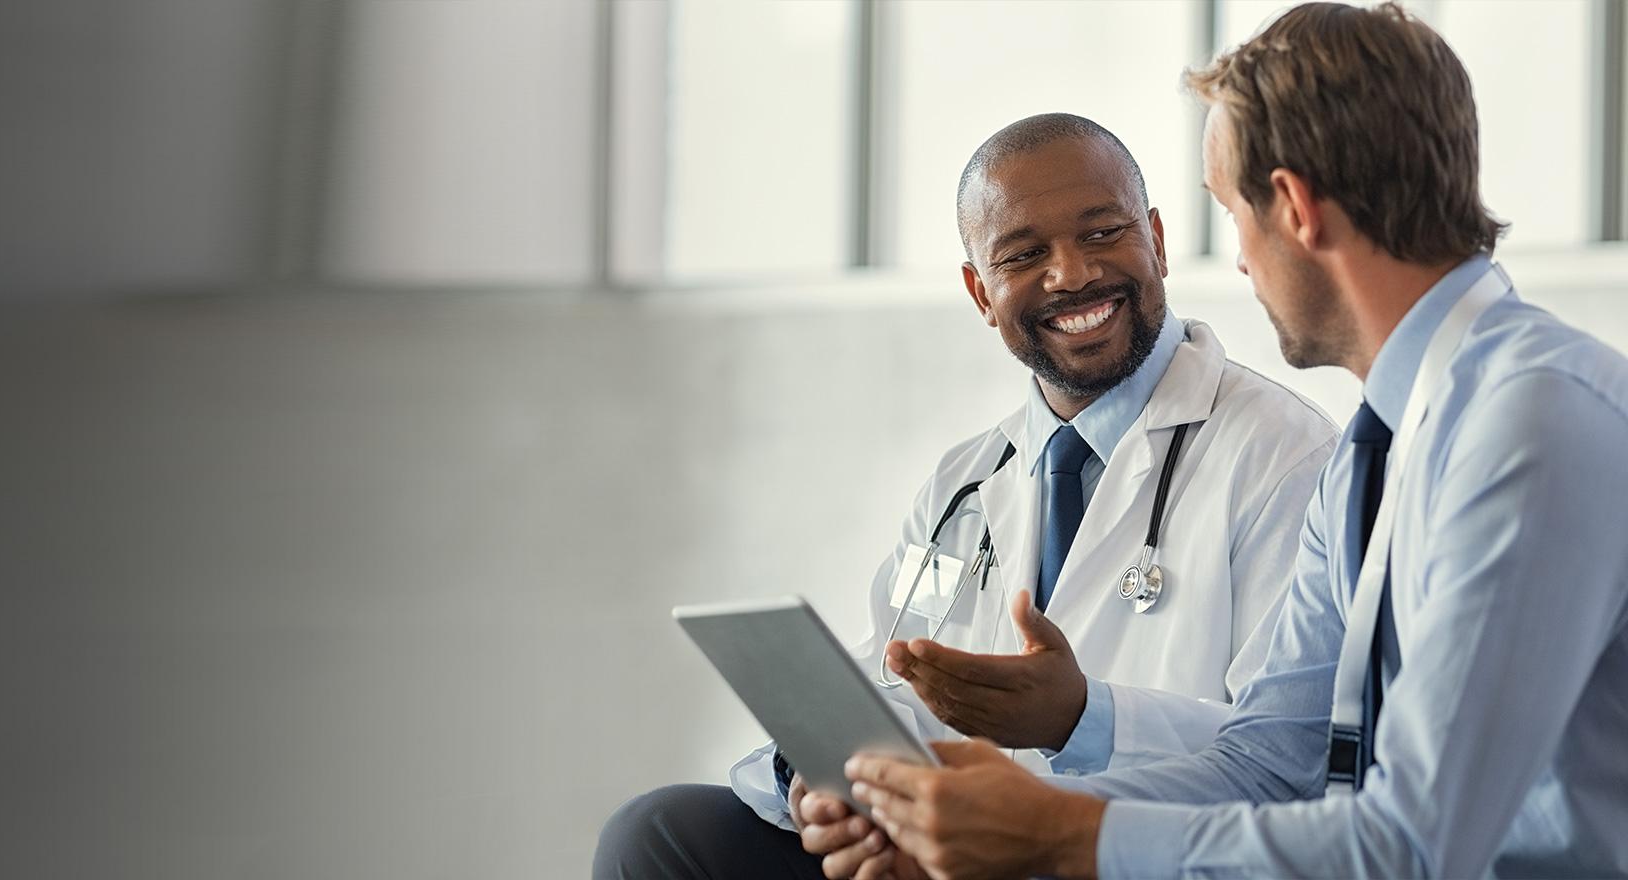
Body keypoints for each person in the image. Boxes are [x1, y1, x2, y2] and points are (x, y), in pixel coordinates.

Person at [844, 4, 1628, 878]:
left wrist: (1054, 835)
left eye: (1231, 213)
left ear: (1293, 207)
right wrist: (993, 811)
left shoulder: (1532, 426)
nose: (1243, 264)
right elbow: (1270, 765)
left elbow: (1412, 846)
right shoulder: (1379, 452)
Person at [595, 114, 1340, 879]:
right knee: (662, 834)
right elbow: (893, 679)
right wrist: (820, 783)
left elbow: (1291, 761)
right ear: (980, 292)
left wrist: (1082, 720)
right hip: (951, 850)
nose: (1072, 274)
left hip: (1122, 855)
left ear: (1155, 239)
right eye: (1024, 255)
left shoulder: (1283, 457)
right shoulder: (967, 485)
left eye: (1101, 233)